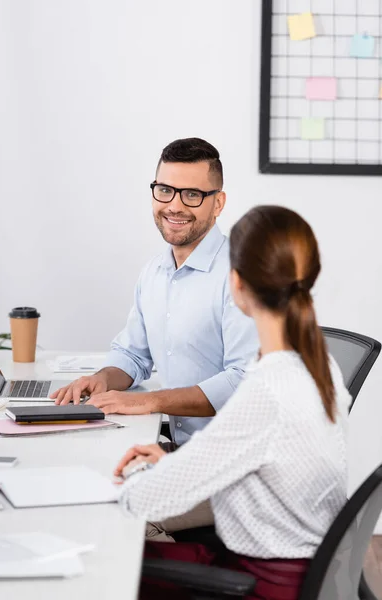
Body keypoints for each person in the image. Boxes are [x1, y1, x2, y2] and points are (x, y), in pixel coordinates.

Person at [113, 205, 350, 600]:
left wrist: (122, 476)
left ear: (236, 283)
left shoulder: (266, 391)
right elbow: (247, 455)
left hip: (259, 583)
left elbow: (142, 499)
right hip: (297, 567)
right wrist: (172, 462)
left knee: (109, 552)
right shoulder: (316, 363)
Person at [51, 138, 258, 450]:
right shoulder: (154, 272)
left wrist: (149, 402)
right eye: (165, 190)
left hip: (230, 460)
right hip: (176, 448)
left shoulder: (243, 275)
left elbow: (242, 381)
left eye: (192, 195)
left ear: (218, 203)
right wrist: (102, 379)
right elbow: (133, 354)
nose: (174, 205)